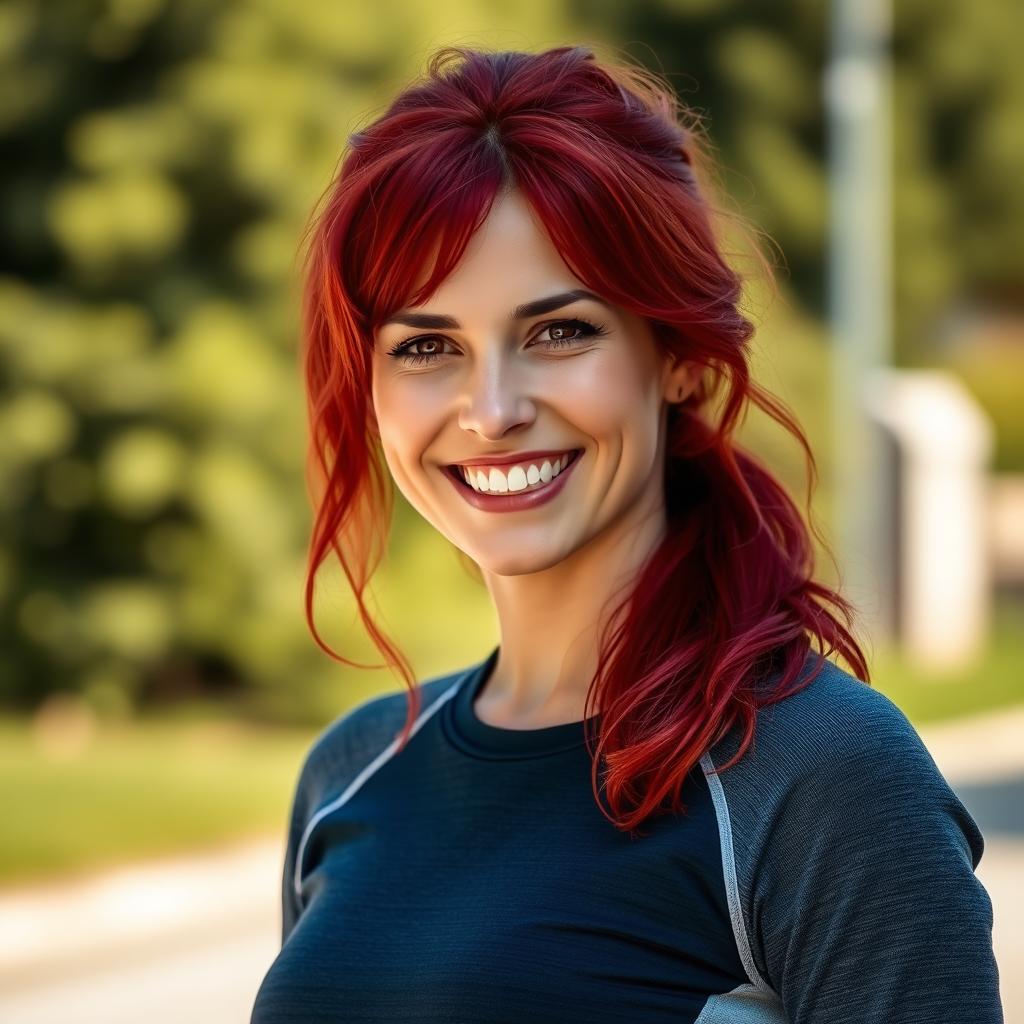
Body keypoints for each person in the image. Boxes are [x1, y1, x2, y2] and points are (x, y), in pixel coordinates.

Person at [250, 44, 1002, 1024]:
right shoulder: (351, 773)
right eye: (426, 345)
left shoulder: (822, 778)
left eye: (559, 331)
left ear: (679, 356)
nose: (490, 408)